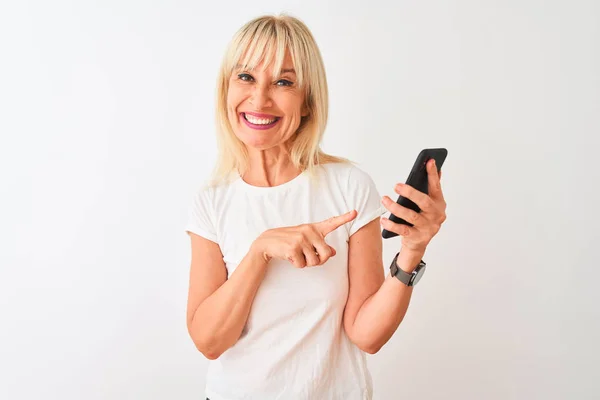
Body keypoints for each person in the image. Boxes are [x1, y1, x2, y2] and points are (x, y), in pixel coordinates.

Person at [184, 14, 447, 400]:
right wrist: (260, 250)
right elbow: (210, 342)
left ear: (307, 101)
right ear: (226, 88)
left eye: (283, 82)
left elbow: (366, 335)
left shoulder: (349, 186)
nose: (259, 99)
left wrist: (412, 252)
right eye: (245, 77)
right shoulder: (211, 201)